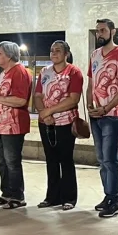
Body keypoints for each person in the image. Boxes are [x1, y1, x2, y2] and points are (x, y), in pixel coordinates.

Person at [86, 18, 118, 219]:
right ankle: (107, 195)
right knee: (101, 158)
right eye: (98, 31)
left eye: (103, 30)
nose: (100, 34)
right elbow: (91, 83)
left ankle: (114, 199)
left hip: (113, 115)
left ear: (113, 31)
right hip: (96, 114)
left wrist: (107, 107)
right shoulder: (95, 55)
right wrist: (89, 105)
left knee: (109, 158)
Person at [33, 41, 84, 210]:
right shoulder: (45, 72)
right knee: (51, 159)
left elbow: (73, 99)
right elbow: (38, 95)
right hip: (46, 122)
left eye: (58, 51)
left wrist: (50, 111)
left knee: (65, 159)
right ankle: (52, 196)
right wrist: (44, 113)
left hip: (65, 122)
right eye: (52, 50)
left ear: (66, 54)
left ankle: (69, 197)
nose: (54, 53)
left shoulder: (74, 72)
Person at [0, 41, 33, 209]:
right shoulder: (4, 73)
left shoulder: (19, 72)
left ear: (9, 55)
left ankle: (17, 195)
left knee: (12, 160)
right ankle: (6, 193)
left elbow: (20, 100)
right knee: (1, 159)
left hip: (13, 124)